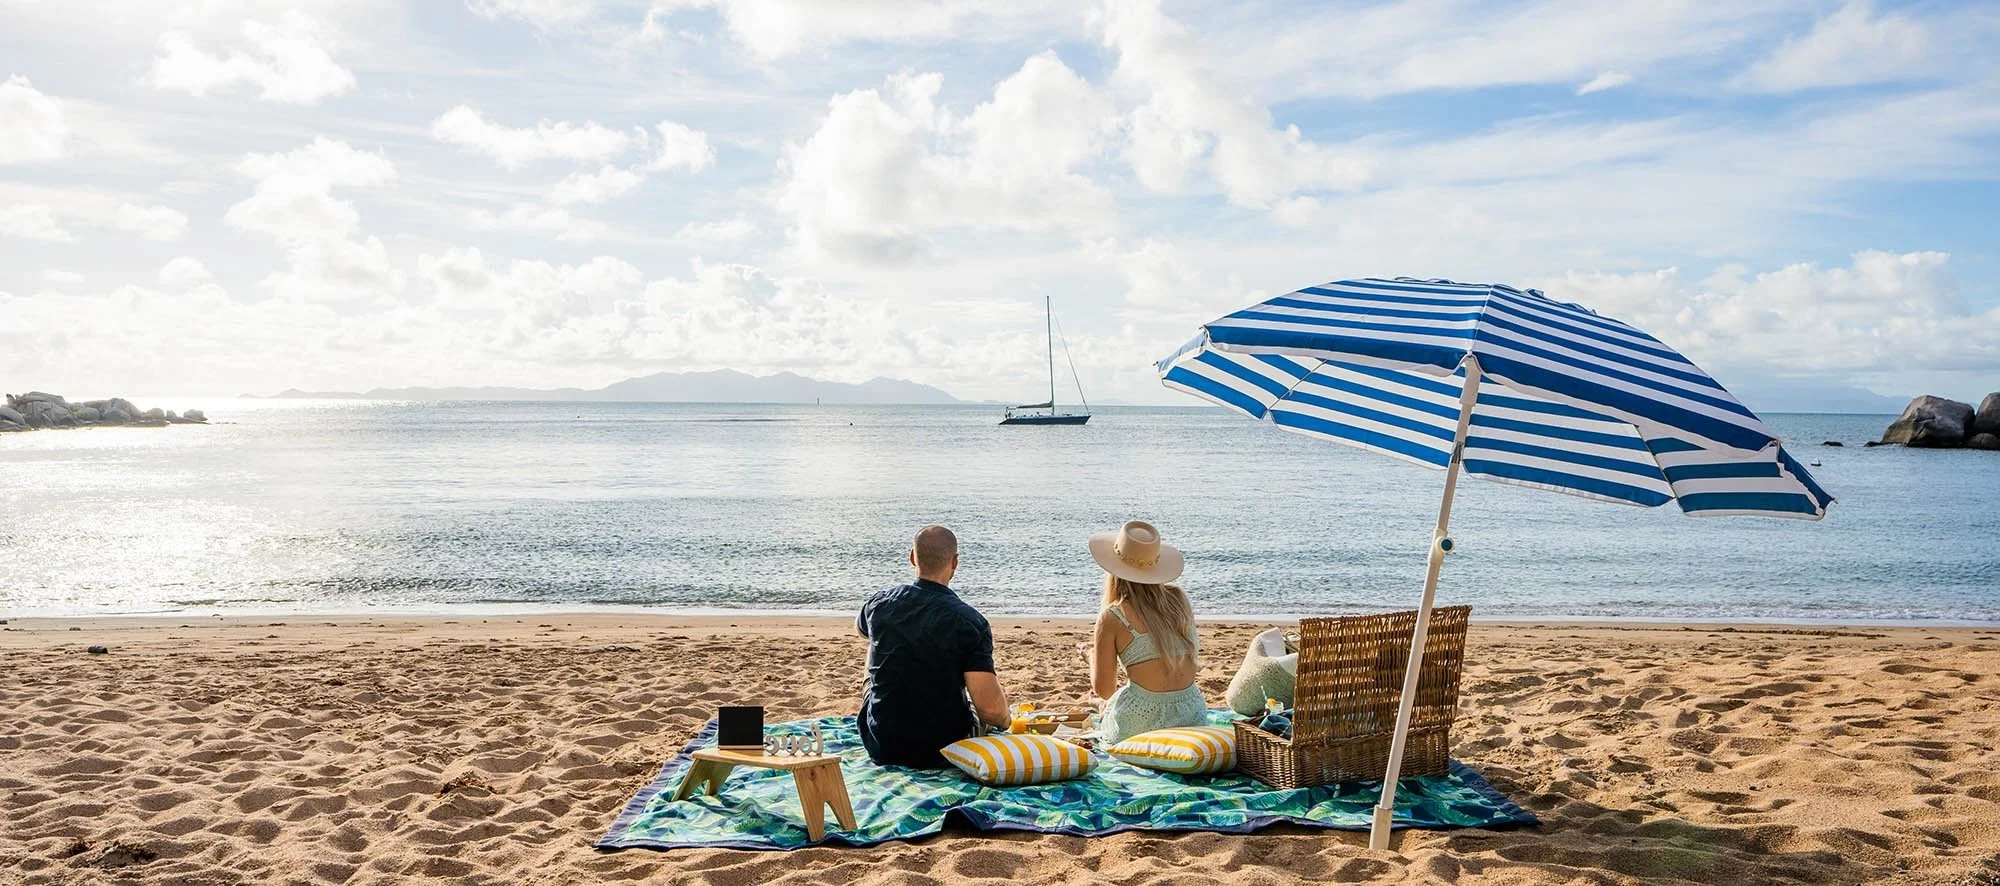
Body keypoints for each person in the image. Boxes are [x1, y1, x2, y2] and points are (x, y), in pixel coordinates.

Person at [855, 524, 1010, 767]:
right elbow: (990, 711)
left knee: (879, 637)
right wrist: (1006, 719)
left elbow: (862, 630)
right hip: (943, 748)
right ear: (955, 563)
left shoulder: (879, 604)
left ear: (912, 557)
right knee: (984, 705)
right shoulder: (970, 622)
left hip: (881, 743)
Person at [1085, 520, 1206, 745]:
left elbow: (1104, 688)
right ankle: (1102, 709)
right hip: (1191, 714)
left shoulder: (1114, 615)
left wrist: (1091, 656)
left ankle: (1101, 710)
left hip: (1141, 723)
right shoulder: (1179, 601)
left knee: (1107, 702)